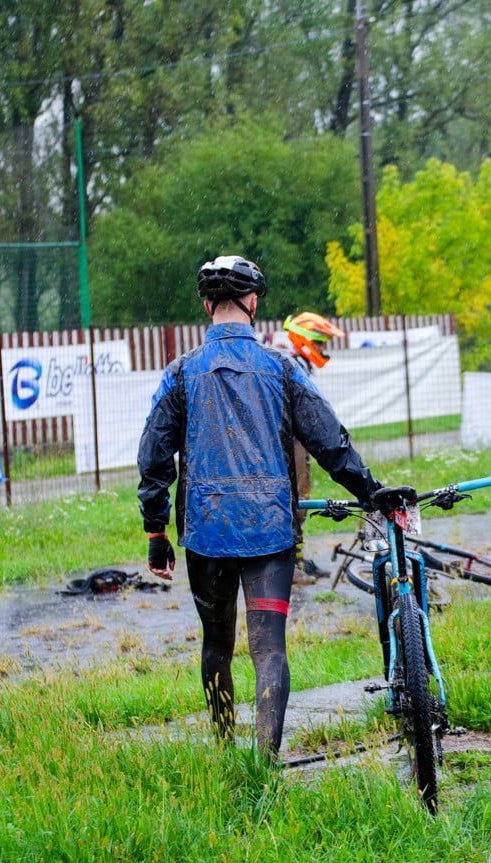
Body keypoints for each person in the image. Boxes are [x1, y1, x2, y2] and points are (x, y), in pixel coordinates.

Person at [137, 255, 381, 760]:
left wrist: (155, 530)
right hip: (270, 530)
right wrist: (369, 491)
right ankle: (264, 763)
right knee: (270, 650)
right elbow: (329, 441)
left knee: (216, 647)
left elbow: (154, 454)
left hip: (206, 530)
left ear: (207, 306)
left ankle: (227, 752)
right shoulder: (282, 367)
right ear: (252, 303)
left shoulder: (180, 373)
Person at [277, 312, 347, 584]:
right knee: (292, 500)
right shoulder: (287, 362)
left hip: (299, 440)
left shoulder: (301, 364)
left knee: (302, 498)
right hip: (287, 441)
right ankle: (287, 566)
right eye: (319, 343)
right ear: (305, 340)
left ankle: (298, 558)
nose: (322, 349)